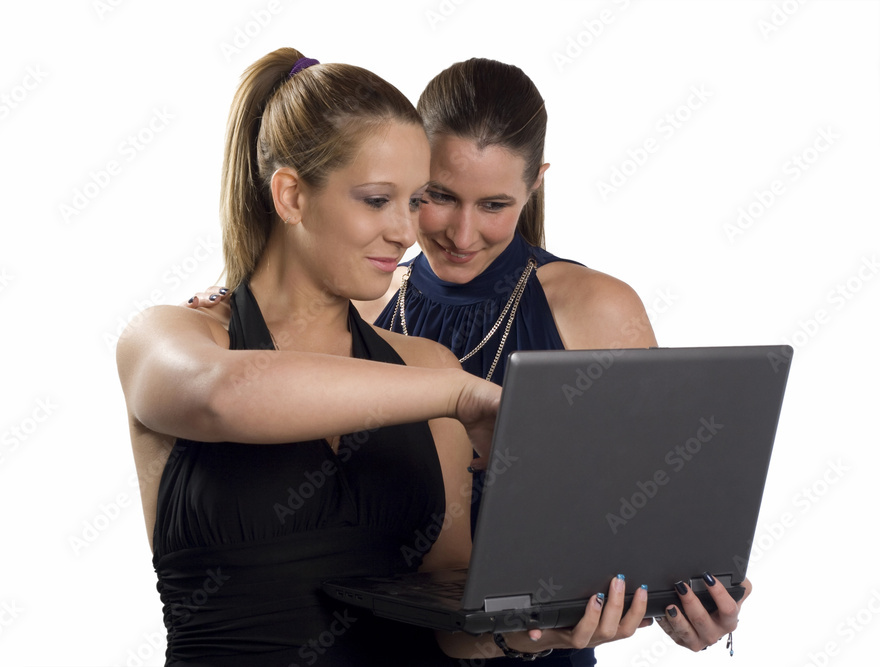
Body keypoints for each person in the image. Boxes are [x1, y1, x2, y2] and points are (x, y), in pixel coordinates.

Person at [186, 56, 749, 665]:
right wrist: (232, 296)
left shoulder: (595, 308)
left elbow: (656, 515)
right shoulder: (368, 303)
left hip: (532, 650)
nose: (460, 233)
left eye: (494, 205)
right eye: (438, 196)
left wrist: (685, 604)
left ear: (536, 185)